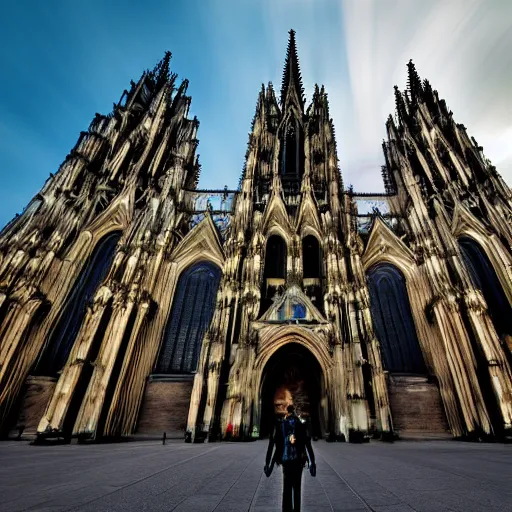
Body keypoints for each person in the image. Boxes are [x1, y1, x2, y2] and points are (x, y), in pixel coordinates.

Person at [264, 404, 316, 512]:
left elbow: (272, 444)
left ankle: (286, 509)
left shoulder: (281, 424)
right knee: (297, 489)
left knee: (286, 488)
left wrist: (268, 463)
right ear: (295, 411)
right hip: (298, 461)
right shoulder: (300, 424)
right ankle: (296, 509)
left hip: (286, 461)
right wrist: (312, 462)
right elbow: (308, 444)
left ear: (287, 411)